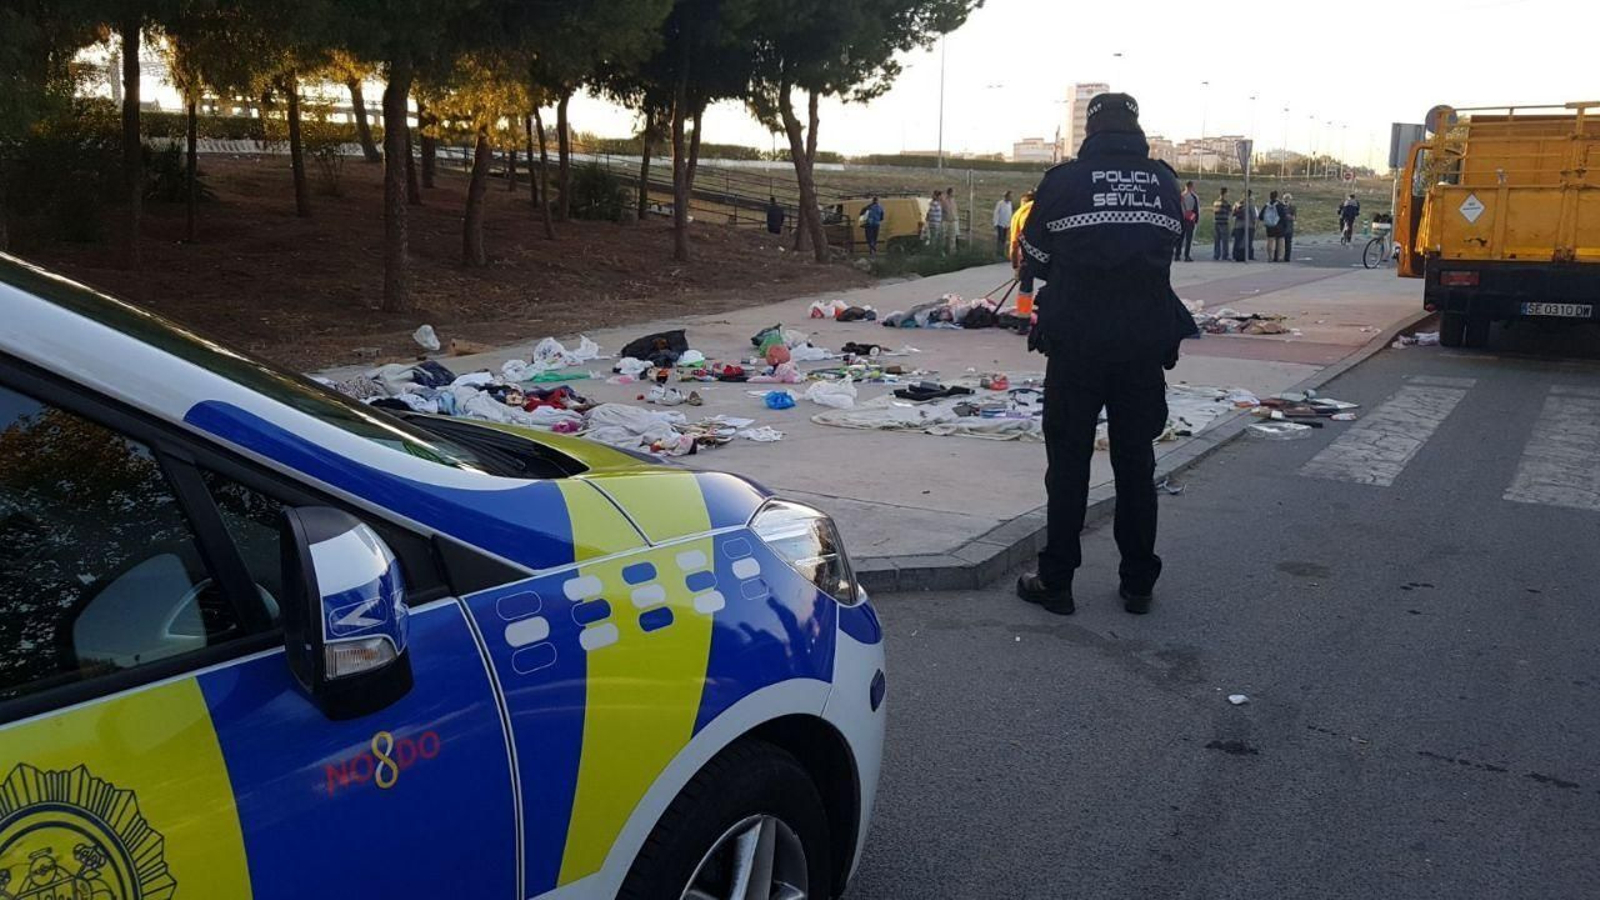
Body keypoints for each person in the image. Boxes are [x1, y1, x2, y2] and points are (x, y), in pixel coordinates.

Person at [1016, 92, 1189, 616]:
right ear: (1135, 128)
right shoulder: (1163, 181)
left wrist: (1076, 269)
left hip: (1076, 342)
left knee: (1068, 464)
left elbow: (1035, 253)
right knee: (1136, 463)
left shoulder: (1064, 182)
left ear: (1089, 132)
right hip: (1143, 342)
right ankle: (1138, 583)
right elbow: (1173, 242)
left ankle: (1057, 582)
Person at [1009, 190, 1037, 314]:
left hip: (1029, 254)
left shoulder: (1019, 213)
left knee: (1026, 285)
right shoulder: (1046, 208)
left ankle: (1023, 318)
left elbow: (1014, 243)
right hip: (1051, 251)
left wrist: (1016, 267)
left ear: (1023, 202)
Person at [1176, 181, 1199, 262]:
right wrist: (1196, 220)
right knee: (1188, 239)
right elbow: (1195, 209)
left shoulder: (1180, 196)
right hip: (1189, 219)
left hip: (1181, 219)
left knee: (1180, 238)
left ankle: (1177, 255)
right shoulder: (1193, 197)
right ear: (1191, 187)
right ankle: (1186, 256)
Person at [1261, 189, 1284, 262]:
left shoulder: (1267, 205)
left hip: (1269, 226)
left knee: (1270, 241)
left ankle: (1270, 257)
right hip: (1279, 226)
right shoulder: (1279, 205)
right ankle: (1280, 257)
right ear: (1277, 196)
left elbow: (1261, 216)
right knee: (1280, 241)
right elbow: (1283, 215)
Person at [1212, 186, 1232, 260]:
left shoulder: (1215, 202)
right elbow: (1230, 211)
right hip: (1224, 223)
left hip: (1216, 222)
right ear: (1225, 193)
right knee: (1225, 240)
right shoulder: (1226, 203)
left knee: (1217, 240)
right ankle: (1225, 255)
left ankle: (1216, 255)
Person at [993, 191, 1015, 257]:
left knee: (1004, 239)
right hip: (1000, 224)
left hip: (1006, 224)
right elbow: (996, 213)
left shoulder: (1010, 204)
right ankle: (999, 252)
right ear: (1006, 197)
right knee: (1000, 238)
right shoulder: (1000, 203)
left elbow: (1010, 213)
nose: (1011, 198)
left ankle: (1002, 253)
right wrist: (995, 223)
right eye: (1010, 196)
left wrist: (1010, 223)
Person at [942, 186, 959, 253]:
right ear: (950, 193)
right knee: (943, 236)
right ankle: (942, 250)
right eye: (953, 192)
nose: (954, 193)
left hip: (953, 221)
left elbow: (955, 210)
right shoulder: (944, 201)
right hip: (945, 221)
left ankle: (952, 251)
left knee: (952, 237)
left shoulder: (954, 201)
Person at [1281, 192, 1297, 262]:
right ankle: (1280, 256)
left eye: (1288, 199)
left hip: (1289, 228)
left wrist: (1288, 216)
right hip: (1282, 227)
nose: (1286, 200)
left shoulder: (1292, 207)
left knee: (1288, 243)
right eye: (1285, 199)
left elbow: (1294, 218)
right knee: (1281, 243)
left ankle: (1287, 257)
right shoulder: (1281, 206)